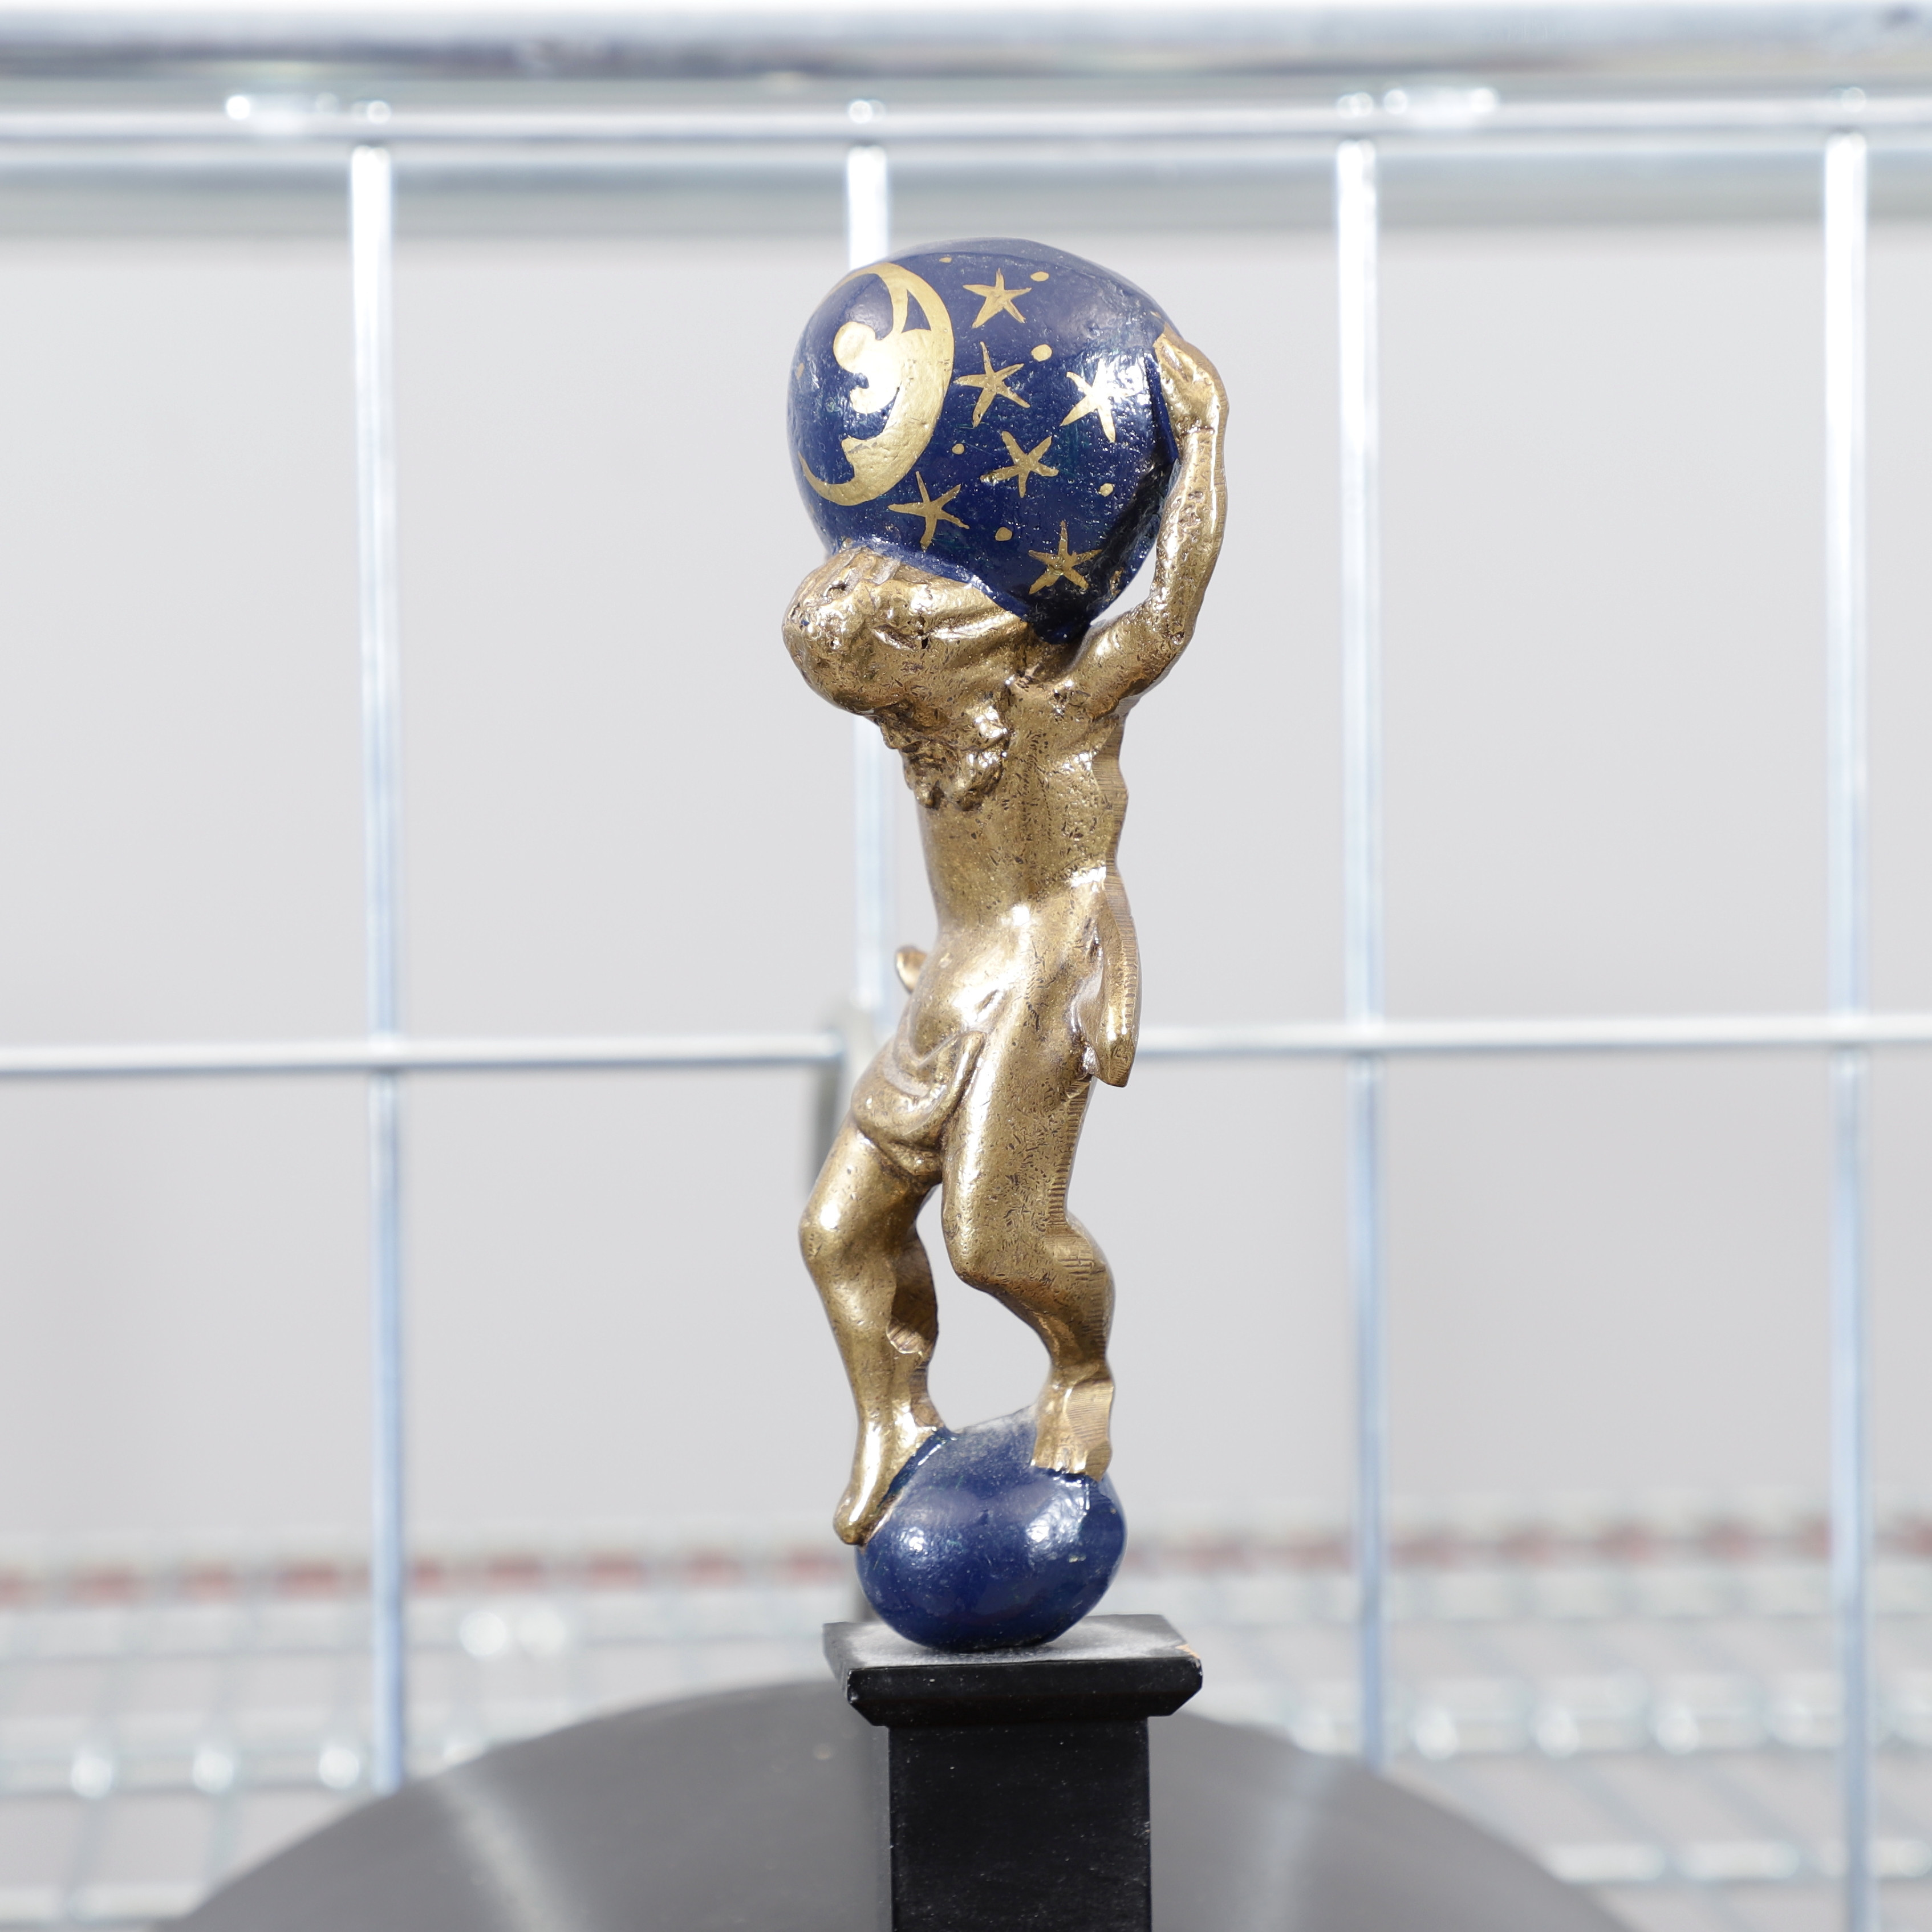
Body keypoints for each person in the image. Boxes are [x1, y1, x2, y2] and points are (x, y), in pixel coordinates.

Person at [784, 331, 1227, 1545]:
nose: (886, 722)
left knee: (993, 1240)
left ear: (927, 653)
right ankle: (893, 1420)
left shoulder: (1059, 704)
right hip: (954, 983)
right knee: (838, 1231)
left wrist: (1201, 440)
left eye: (885, 689)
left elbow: (1166, 615)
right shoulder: (932, 731)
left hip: (1042, 974)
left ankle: (1081, 1369)